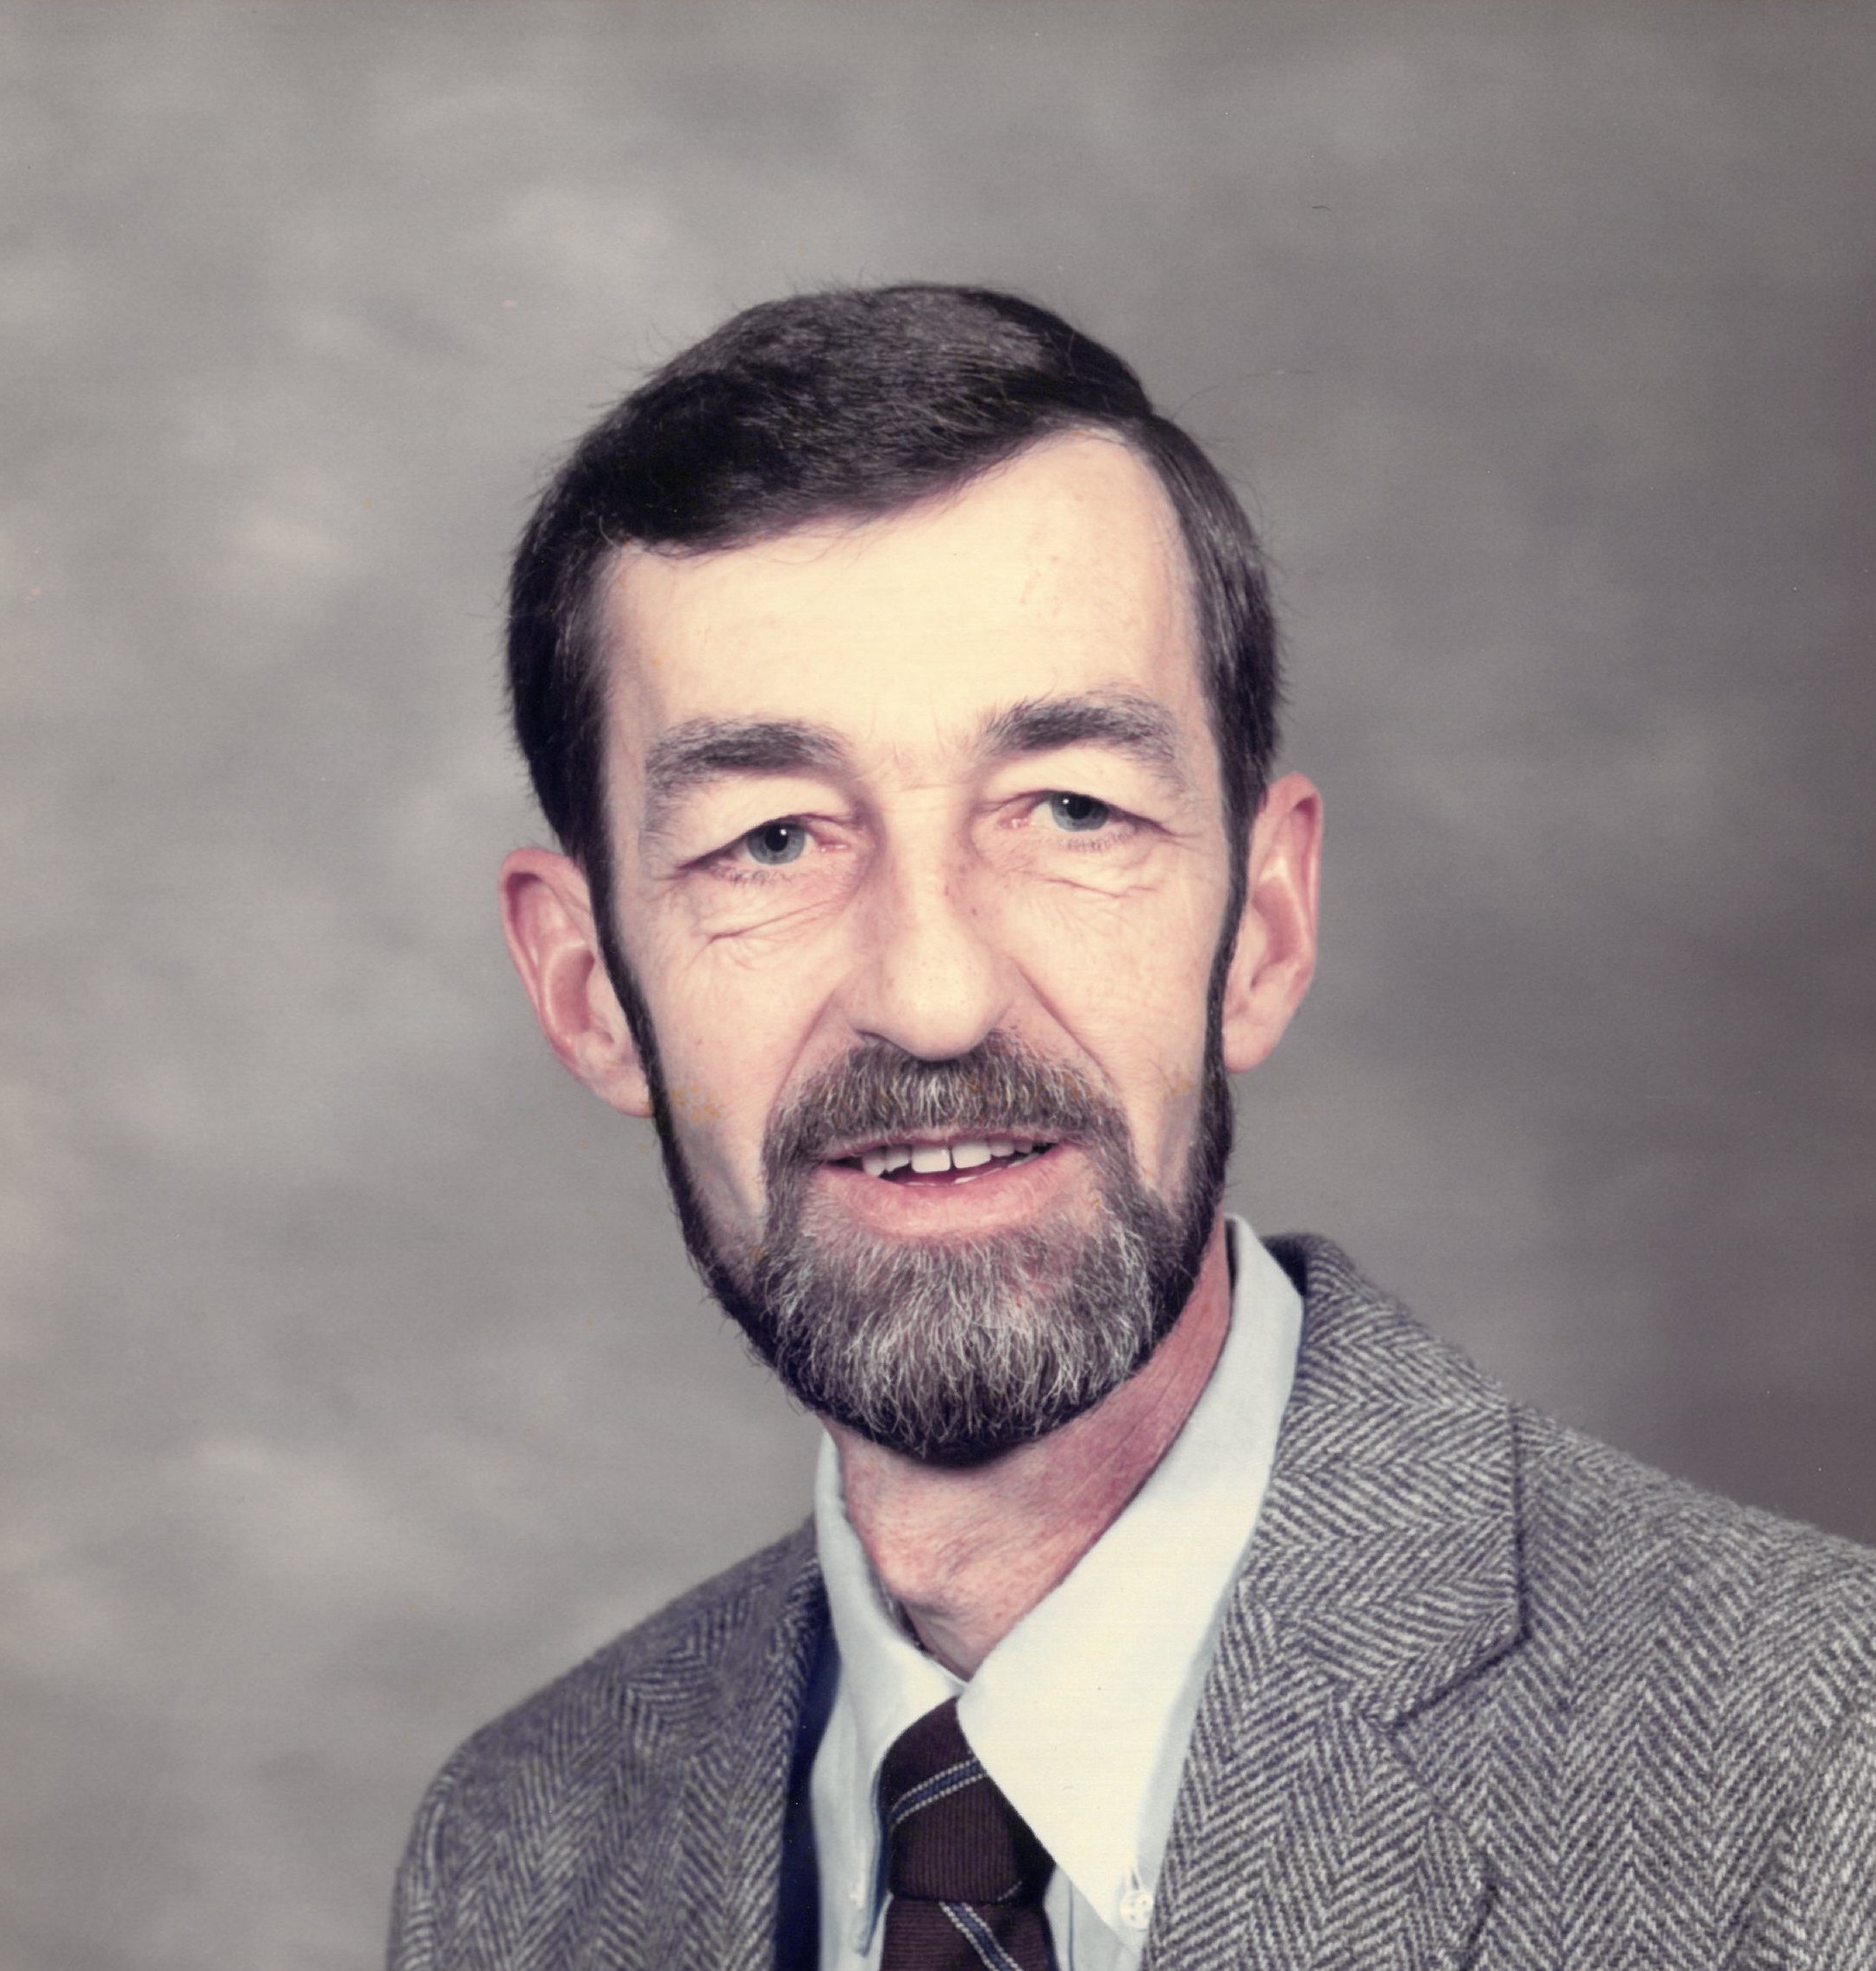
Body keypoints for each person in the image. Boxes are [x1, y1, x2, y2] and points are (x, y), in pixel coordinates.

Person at [386, 286, 1875, 1971]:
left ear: (1262, 930)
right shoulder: (513, 1858)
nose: (932, 996)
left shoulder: (1826, 1767)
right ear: (587, 987)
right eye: (775, 840)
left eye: (1070, 811)